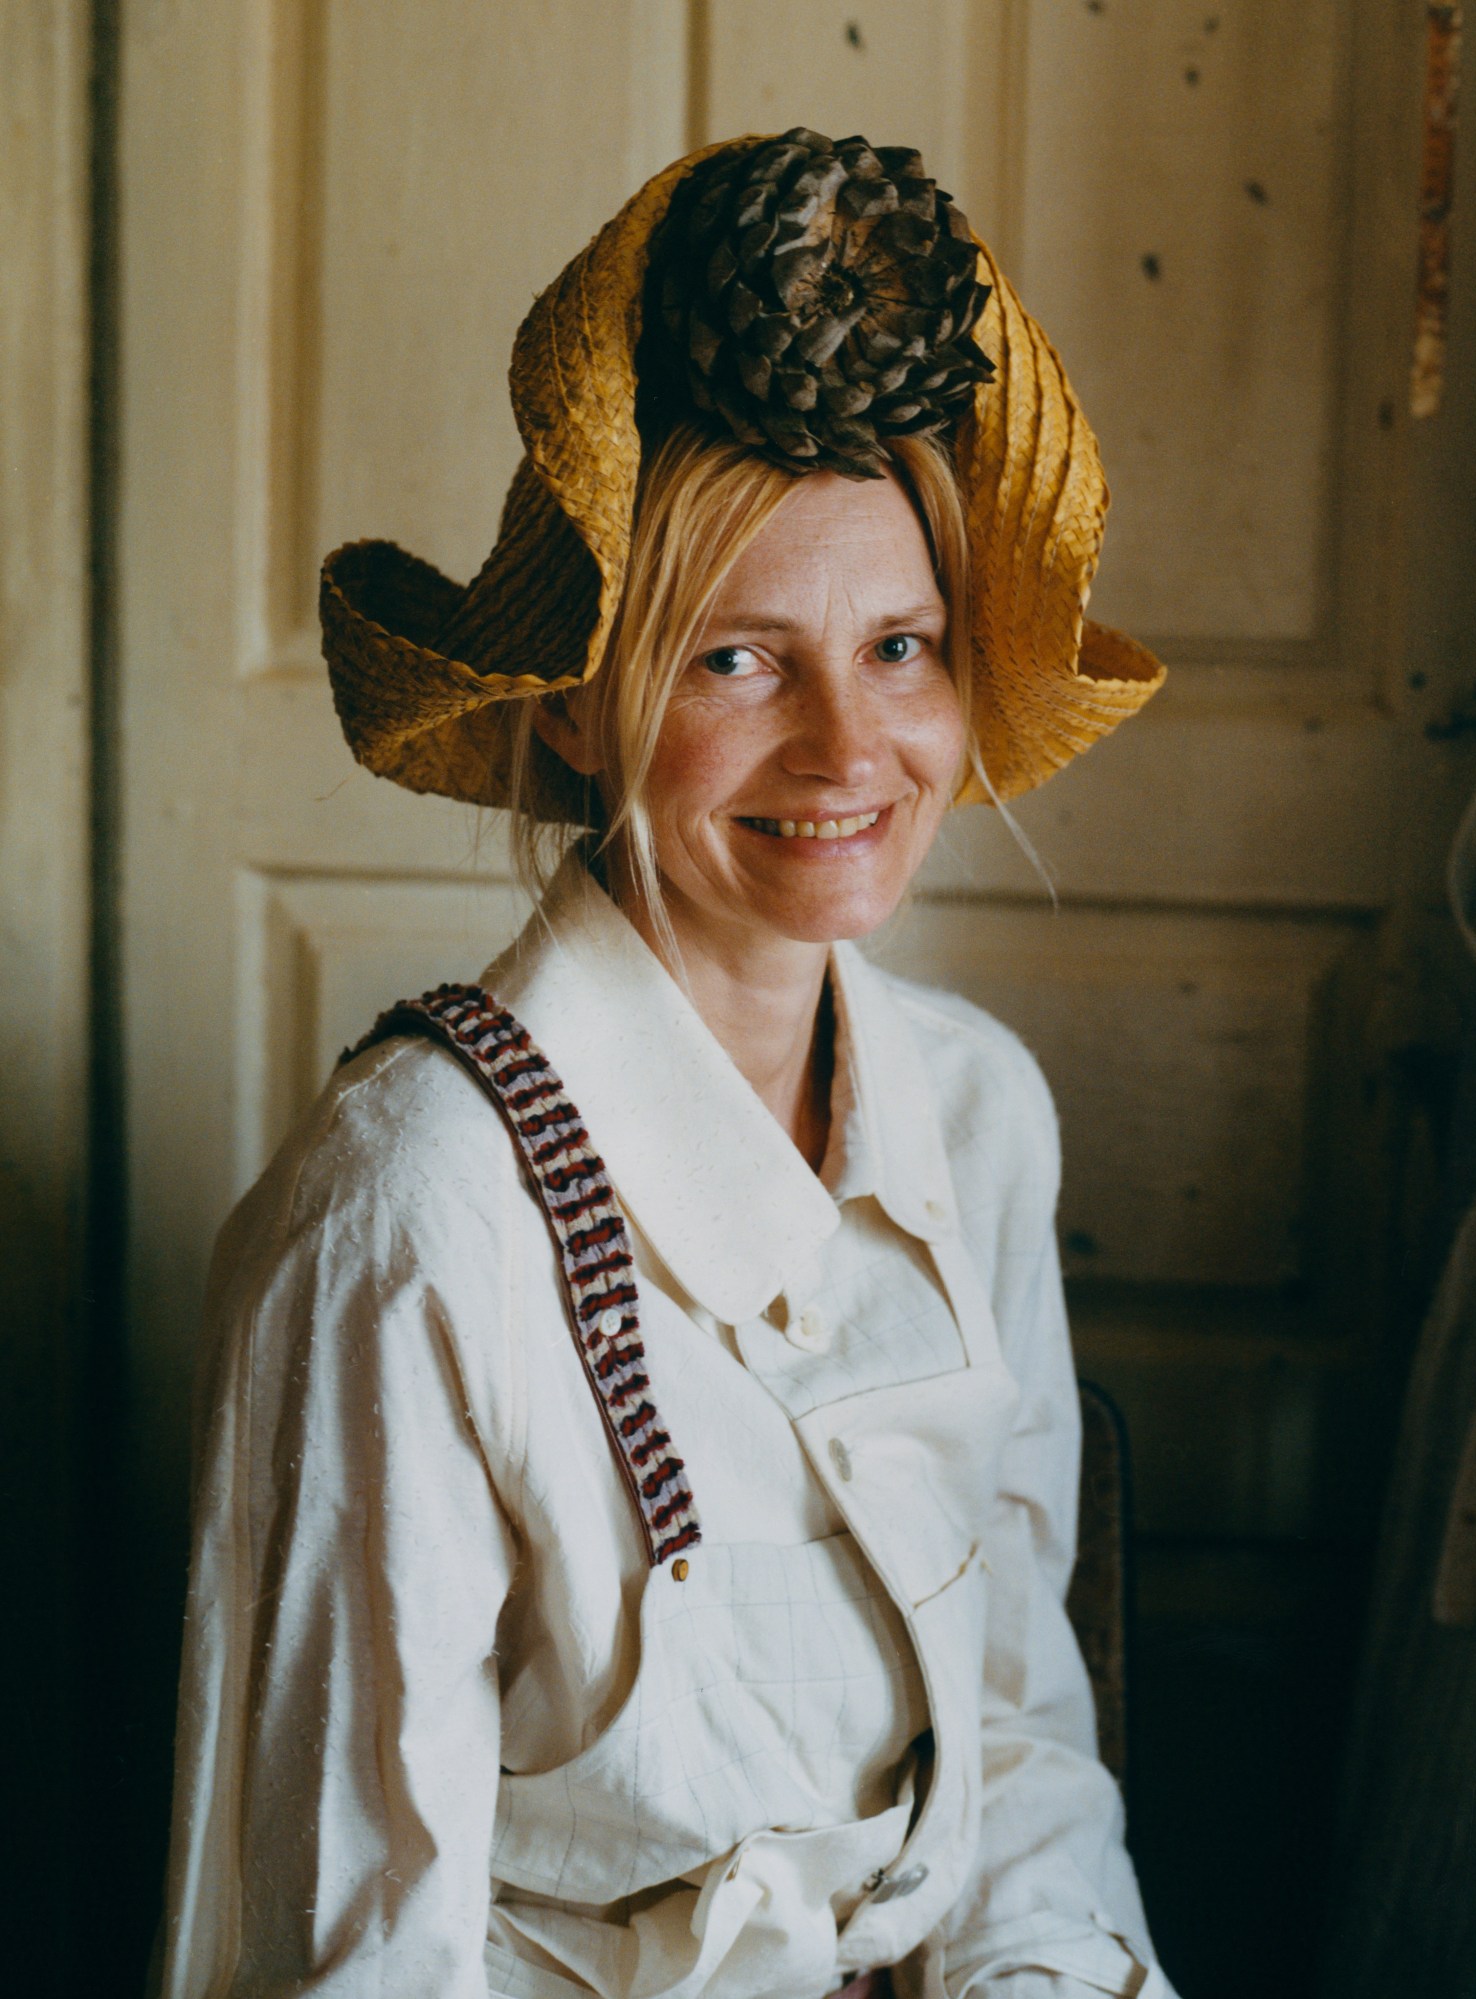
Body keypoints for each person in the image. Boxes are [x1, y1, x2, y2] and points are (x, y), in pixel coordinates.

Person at [157, 130, 1174, 1999]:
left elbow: (1023, 1748)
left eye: (901, 645)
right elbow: (345, 1958)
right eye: (733, 660)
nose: (849, 748)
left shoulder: (977, 1114)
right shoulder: (404, 1224)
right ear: (574, 698)